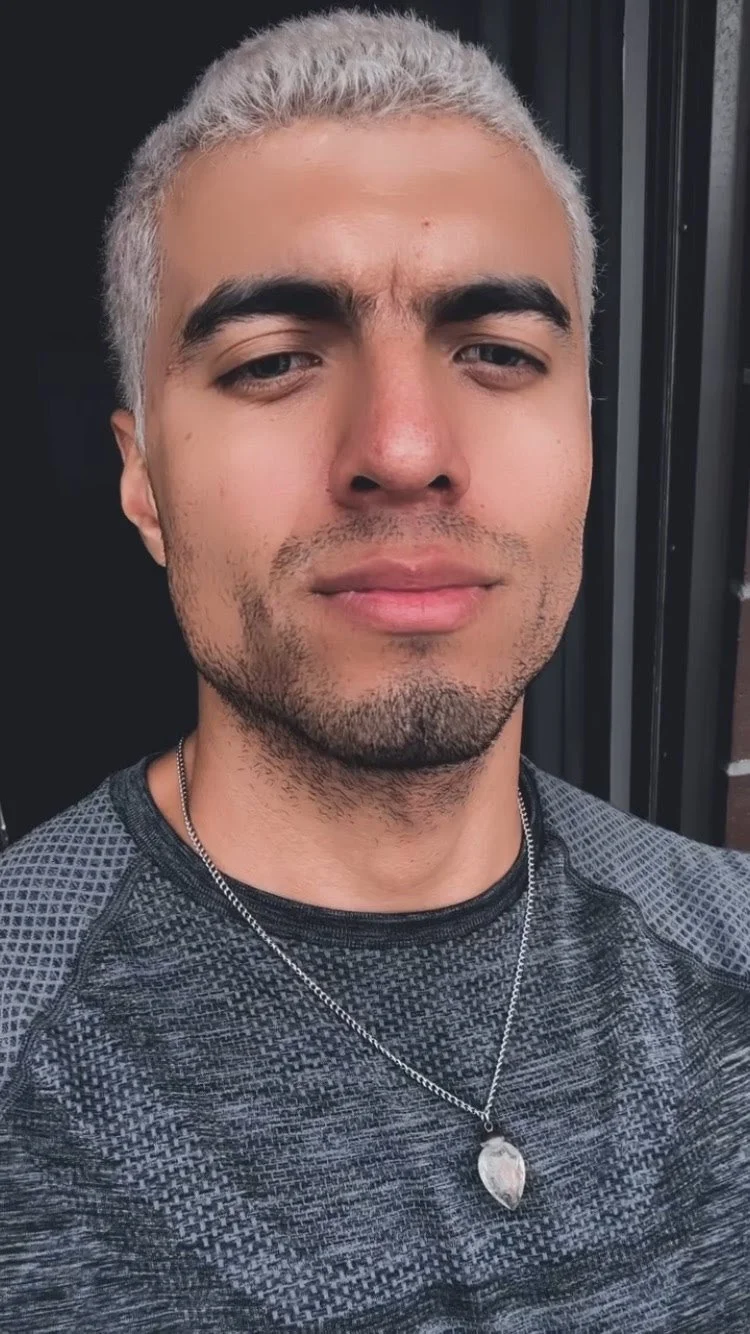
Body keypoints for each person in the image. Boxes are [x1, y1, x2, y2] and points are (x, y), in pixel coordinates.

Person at [2, 8, 748, 1331]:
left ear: (584, 435)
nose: (403, 447)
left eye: (498, 354)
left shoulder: (729, 940)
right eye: (274, 360)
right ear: (142, 478)